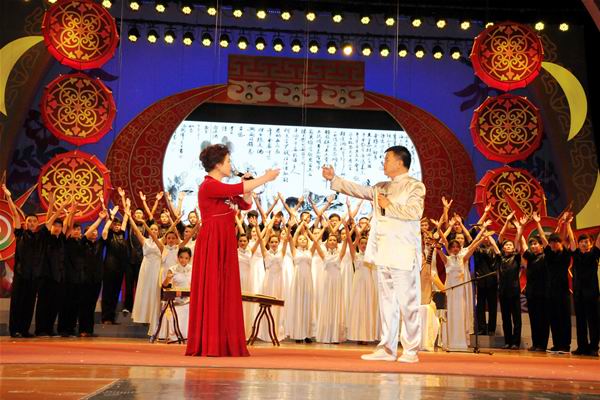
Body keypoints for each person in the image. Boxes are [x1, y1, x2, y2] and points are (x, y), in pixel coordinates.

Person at [322, 145, 425, 363]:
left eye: (387, 159)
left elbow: (415, 212)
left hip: (404, 252)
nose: (383, 163)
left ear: (400, 162)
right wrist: (334, 179)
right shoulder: (381, 187)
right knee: (387, 304)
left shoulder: (415, 186)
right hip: (383, 252)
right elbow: (359, 190)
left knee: (408, 303)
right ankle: (387, 348)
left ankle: (411, 350)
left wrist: (389, 205)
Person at [185, 143, 279, 357]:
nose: (230, 165)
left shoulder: (221, 187)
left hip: (226, 239)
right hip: (213, 240)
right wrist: (265, 178)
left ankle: (224, 341)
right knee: (213, 287)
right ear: (217, 165)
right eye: (228, 161)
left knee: (225, 289)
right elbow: (236, 190)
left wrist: (248, 186)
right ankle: (210, 342)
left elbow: (245, 204)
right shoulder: (208, 185)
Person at [3, 184, 44, 338]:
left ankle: (25, 330)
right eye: (29, 221)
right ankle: (15, 330)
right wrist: (8, 197)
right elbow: (14, 213)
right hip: (21, 274)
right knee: (17, 303)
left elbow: (51, 221)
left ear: (37, 224)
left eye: (34, 221)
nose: (31, 223)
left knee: (29, 303)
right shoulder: (20, 233)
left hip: (34, 276)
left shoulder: (40, 237)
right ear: (25, 223)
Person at [515, 216, 549, 352]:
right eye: (532, 244)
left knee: (543, 320)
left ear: (541, 246)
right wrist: (521, 228)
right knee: (534, 319)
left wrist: (538, 223)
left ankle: (542, 345)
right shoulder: (530, 257)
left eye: (536, 244)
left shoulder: (546, 256)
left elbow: (544, 238)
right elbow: (522, 244)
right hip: (531, 293)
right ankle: (535, 344)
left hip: (543, 293)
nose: (533, 246)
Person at [566, 221, 600, 356]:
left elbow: (598, 241)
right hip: (579, 293)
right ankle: (582, 347)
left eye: (587, 242)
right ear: (578, 244)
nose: (584, 244)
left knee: (593, 321)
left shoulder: (594, 254)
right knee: (580, 321)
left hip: (591, 293)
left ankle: (594, 348)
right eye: (582, 242)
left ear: (590, 244)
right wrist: (568, 224)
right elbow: (571, 239)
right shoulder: (576, 255)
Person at [159, 247, 193, 342]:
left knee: (190, 308)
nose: (183, 260)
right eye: (181, 257)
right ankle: (175, 336)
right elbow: (164, 286)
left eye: (186, 258)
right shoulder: (172, 269)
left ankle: (188, 337)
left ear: (189, 259)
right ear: (178, 257)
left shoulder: (193, 269)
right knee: (176, 311)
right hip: (176, 300)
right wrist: (168, 278)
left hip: (189, 300)